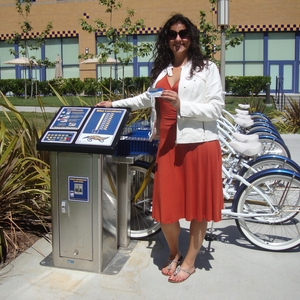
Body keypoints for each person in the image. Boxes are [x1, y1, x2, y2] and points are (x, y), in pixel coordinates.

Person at [96, 13, 224, 283]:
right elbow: (145, 99)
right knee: (166, 208)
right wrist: (114, 104)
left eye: (183, 33)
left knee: (199, 207)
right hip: (167, 146)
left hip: (199, 145)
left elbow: (216, 108)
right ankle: (175, 252)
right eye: (172, 34)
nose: (178, 38)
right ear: (166, 40)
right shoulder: (161, 72)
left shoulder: (207, 69)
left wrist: (182, 106)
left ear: (191, 37)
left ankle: (189, 261)